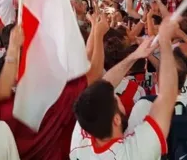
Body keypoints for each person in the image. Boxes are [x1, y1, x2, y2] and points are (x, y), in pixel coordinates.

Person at [70, 18, 178, 159]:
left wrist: (135, 56)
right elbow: (168, 96)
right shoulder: (134, 153)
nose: (117, 95)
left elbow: (105, 84)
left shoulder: (82, 137)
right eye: (116, 98)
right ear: (116, 120)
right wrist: (165, 42)